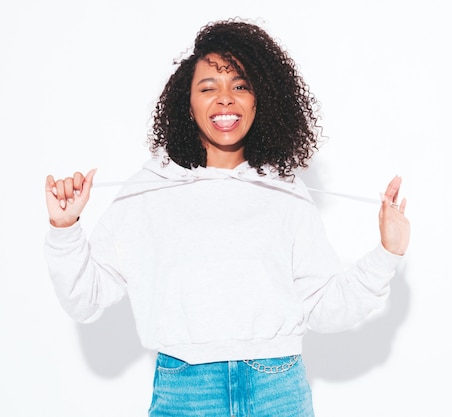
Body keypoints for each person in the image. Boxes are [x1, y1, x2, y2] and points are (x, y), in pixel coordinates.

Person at [44, 18, 410, 417]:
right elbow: (86, 300)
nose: (225, 99)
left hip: (278, 390)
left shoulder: (284, 191)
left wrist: (386, 253)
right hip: (187, 392)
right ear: (188, 103)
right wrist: (65, 230)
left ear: (259, 99)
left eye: (240, 86)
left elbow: (323, 305)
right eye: (208, 88)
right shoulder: (148, 190)